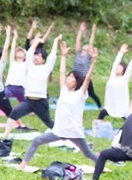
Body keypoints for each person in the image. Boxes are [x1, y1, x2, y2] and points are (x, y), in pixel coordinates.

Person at [18, 42, 98, 171]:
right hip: (59, 130)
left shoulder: (80, 94)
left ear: (77, 82)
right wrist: (63, 56)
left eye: (72, 78)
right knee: (37, 141)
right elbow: (61, 72)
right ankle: (23, 164)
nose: (68, 79)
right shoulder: (64, 90)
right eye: (68, 77)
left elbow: (87, 79)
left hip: (73, 131)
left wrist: (94, 61)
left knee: (87, 153)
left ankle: (100, 164)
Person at [2, 33, 62, 138]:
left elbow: (53, 56)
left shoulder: (46, 68)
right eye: (36, 55)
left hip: (41, 102)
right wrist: (36, 42)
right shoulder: (29, 65)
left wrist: (56, 41)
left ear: (43, 59)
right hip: (28, 101)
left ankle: (64, 134)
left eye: (39, 56)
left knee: (48, 122)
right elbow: (29, 52)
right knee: (13, 113)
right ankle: (5, 135)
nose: (36, 57)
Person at [98, 43, 132, 120]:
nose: (117, 68)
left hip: (121, 107)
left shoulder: (124, 78)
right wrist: (121, 52)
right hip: (110, 106)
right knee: (102, 114)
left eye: (120, 67)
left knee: (127, 121)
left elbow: (131, 66)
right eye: (117, 67)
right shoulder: (112, 77)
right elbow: (115, 64)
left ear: (123, 70)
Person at [74, 22, 102, 108]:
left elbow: (91, 43)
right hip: (76, 77)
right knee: (74, 91)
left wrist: (93, 32)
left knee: (91, 93)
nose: (85, 45)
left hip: (85, 78)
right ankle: (75, 105)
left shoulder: (88, 56)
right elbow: (78, 40)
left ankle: (99, 106)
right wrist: (81, 30)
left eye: (87, 46)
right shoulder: (78, 53)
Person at [5, 28, 27, 103]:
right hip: (10, 86)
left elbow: (30, 54)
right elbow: (12, 50)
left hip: (21, 87)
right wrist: (15, 38)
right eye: (18, 52)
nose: (19, 53)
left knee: (24, 102)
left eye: (21, 52)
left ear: (25, 56)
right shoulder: (13, 62)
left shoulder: (26, 64)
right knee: (2, 96)